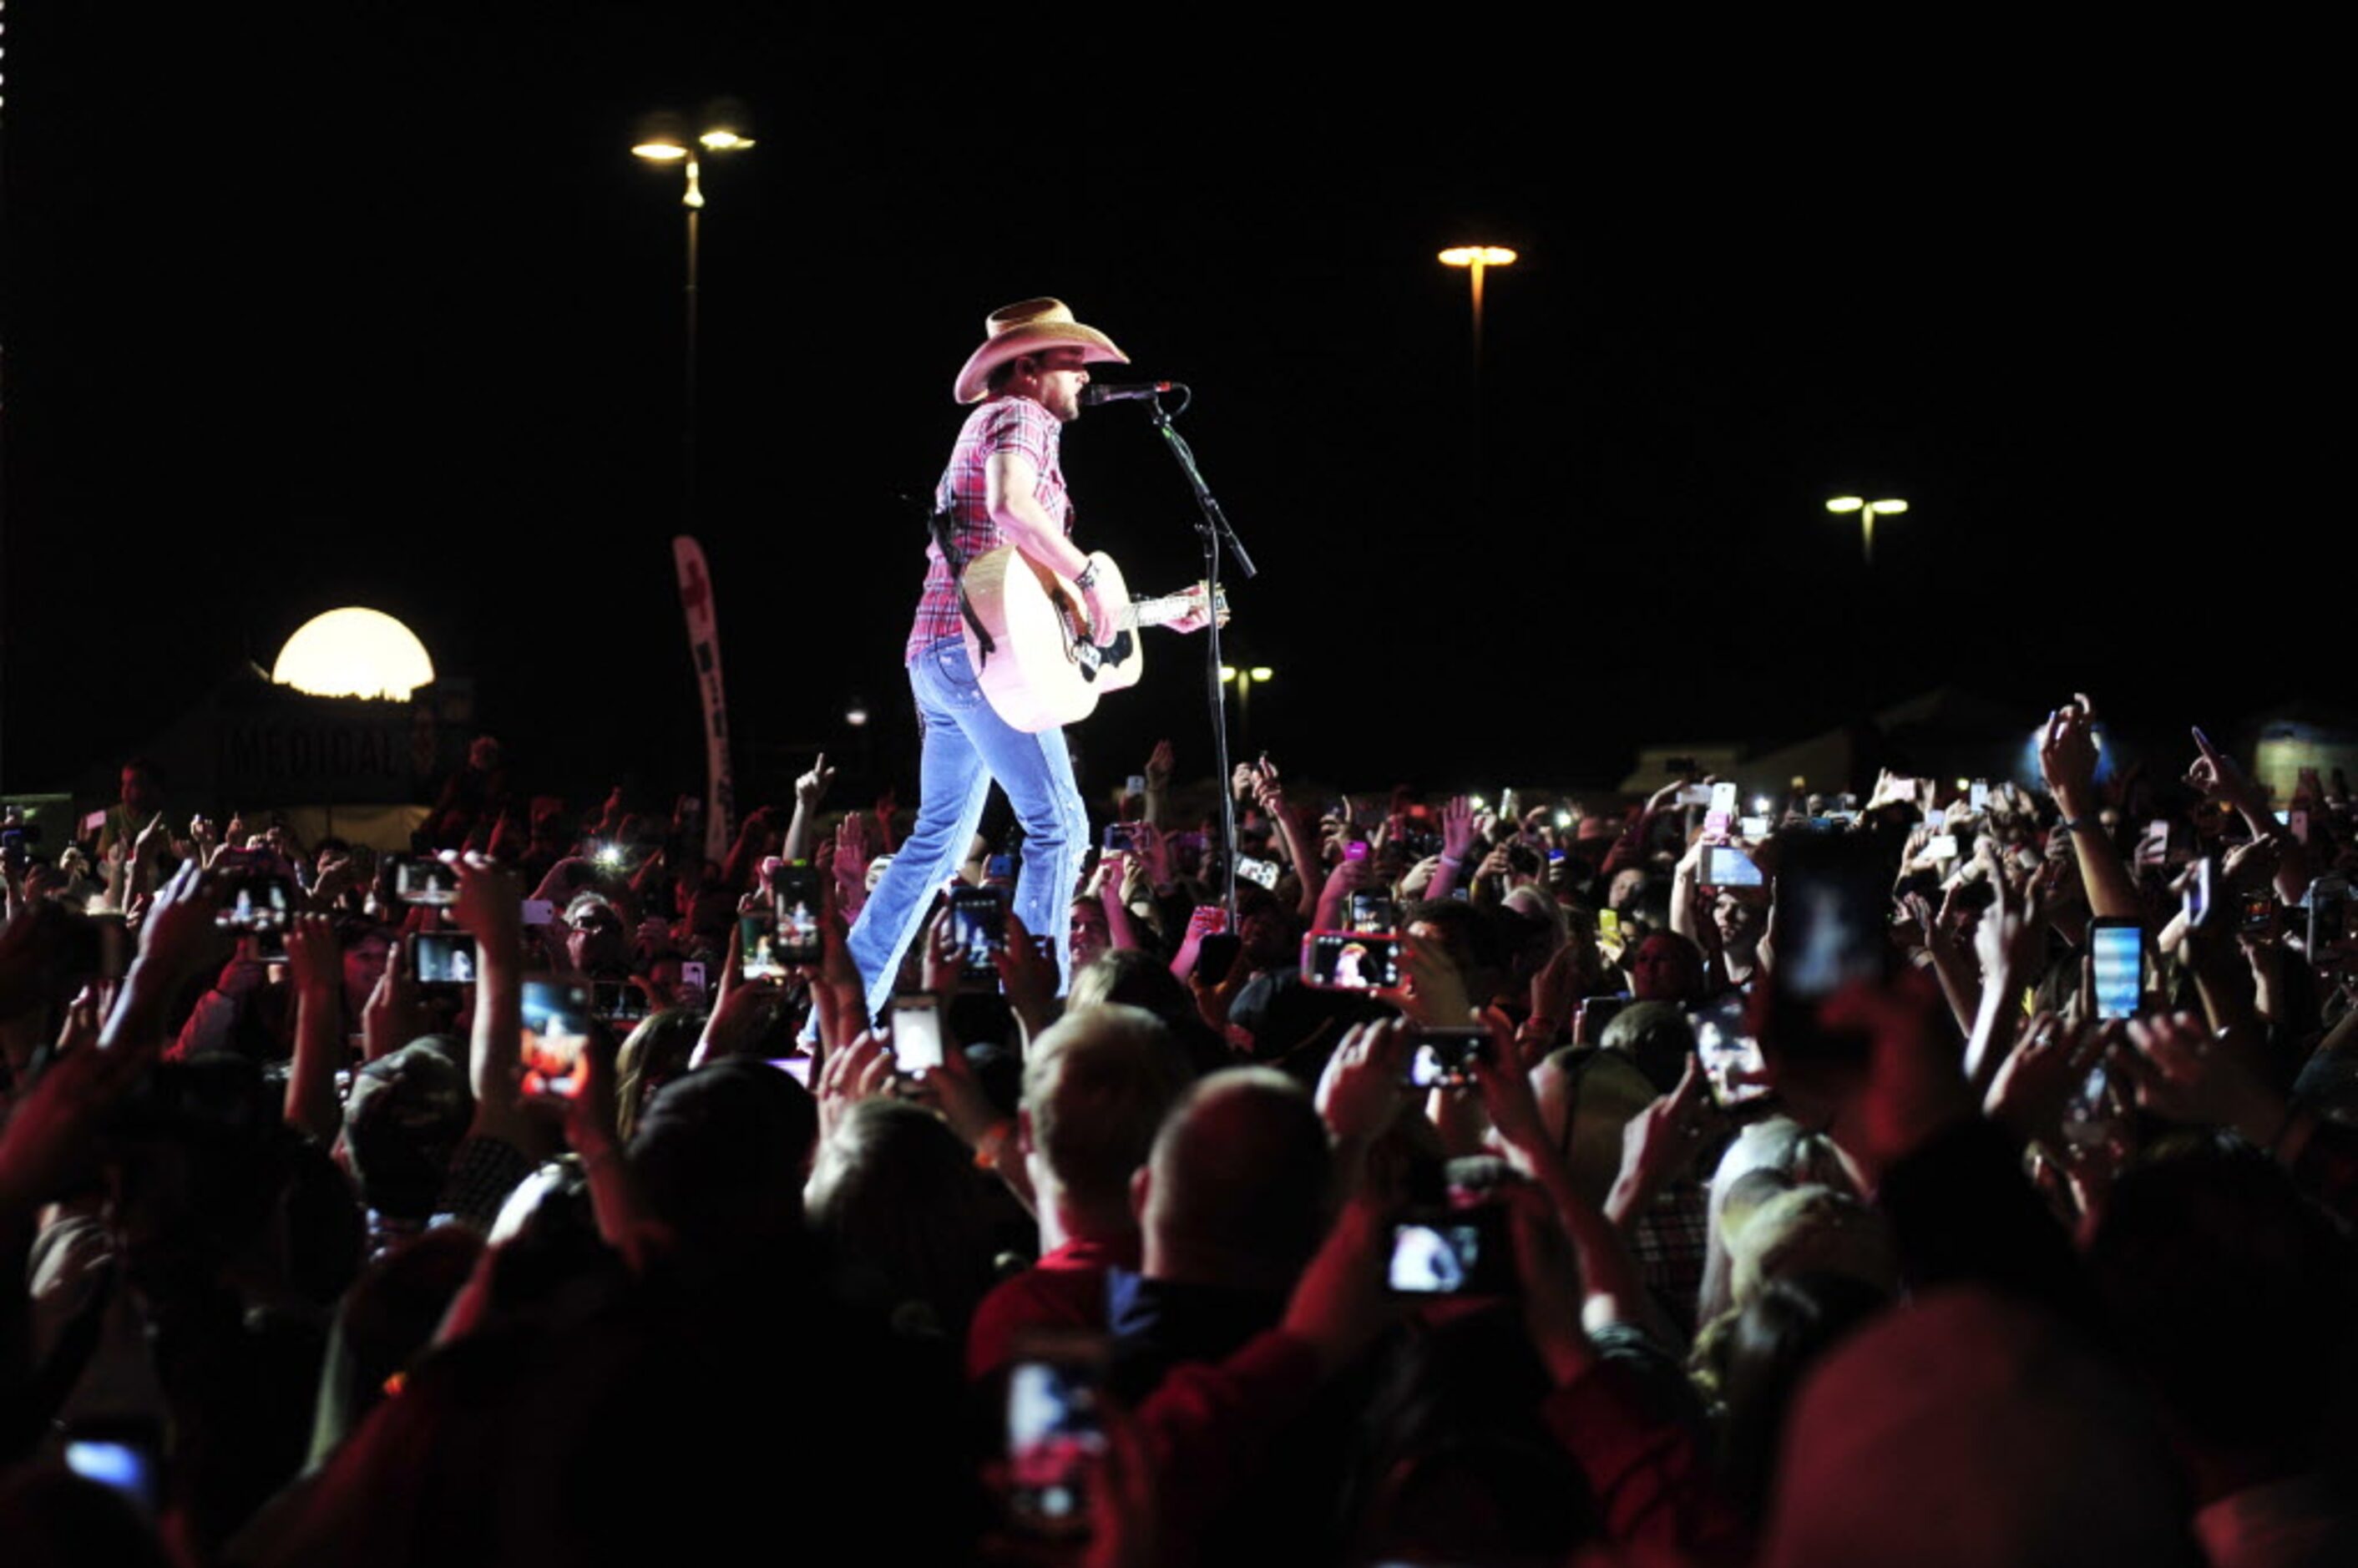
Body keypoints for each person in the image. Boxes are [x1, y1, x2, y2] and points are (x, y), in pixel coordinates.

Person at [846, 298, 1205, 1023]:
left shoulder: (984, 424)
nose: (1084, 379)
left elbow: (1031, 591)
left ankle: (843, 1008)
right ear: (1031, 366)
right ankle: (1043, 1016)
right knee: (1062, 827)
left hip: (942, 655)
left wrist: (1157, 611)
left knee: (936, 848)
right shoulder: (1021, 416)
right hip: (977, 659)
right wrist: (1089, 574)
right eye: (1073, 362)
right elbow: (1013, 507)